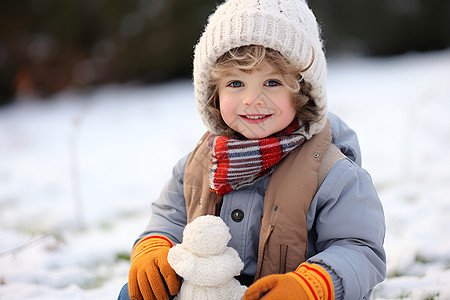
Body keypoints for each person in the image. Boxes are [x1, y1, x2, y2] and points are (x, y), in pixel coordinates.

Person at [118, 0, 386, 299]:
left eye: (271, 82)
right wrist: (154, 245)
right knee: (133, 293)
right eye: (235, 83)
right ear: (213, 95)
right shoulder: (197, 165)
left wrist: (312, 286)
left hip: (285, 294)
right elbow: (169, 216)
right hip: (209, 290)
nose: (252, 99)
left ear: (302, 93)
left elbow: (359, 249)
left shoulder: (331, 174)